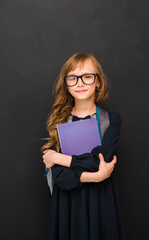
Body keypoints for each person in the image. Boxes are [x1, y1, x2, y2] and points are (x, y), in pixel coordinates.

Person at [41, 53, 126, 240]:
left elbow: (99, 160)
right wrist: (96, 177)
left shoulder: (110, 121)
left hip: (101, 202)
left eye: (87, 77)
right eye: (73, 78)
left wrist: (58, 158)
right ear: (66, 84)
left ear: (98, 82)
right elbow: (59, 176)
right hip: (67, 203)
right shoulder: (57, 122)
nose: (80, 83)